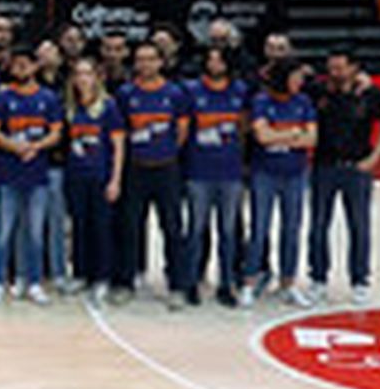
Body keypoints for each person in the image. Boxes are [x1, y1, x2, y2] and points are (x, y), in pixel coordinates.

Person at [308, 49, 380, 305]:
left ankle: (360, 280)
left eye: (340, 68)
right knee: (319, 225)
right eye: (331, 68)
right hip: (324, 166)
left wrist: (375, 157)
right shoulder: (319, 91)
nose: (335, 73)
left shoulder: (370, 93)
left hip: (357, 167)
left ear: (354, 68)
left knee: (359, 225)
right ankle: (318, 279)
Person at [113, 43, 192, 308]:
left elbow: (181, 132)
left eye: (150, 59)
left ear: (161, 62)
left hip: (167, 168)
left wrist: (165, 152)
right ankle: (126, 281)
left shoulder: (175, 93)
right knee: (131, 226)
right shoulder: (126, 94)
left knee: (172, 227)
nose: (145, 64)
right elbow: (120, 133)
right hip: (135, 169)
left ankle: (177, 286)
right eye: (140, 59)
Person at [0, 49, 63, 306]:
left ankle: (34, 282)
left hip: (37, 174)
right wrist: (15, 147)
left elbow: (56, 133)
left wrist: (35, 147)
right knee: (3, 231)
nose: (21, 69)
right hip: (7, 174)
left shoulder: (48, 98)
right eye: (16, 65)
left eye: (25, 64)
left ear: (35, 67)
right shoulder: (2, 97)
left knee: (35, 232)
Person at [182, 46, 248, 307]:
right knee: (196, 230)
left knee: (228, 232)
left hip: (230, 173)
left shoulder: (240, 91)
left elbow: (243, 129)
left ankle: (226, 283)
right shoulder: (191, 90)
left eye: (219, 58)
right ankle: (192, 282)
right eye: (210, 59)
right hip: (199, 172)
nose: (215, 63)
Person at [247, 60, 317, 307]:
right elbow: (262, 137)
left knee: (292, 229)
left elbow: (312, 138)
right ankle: (250, 282)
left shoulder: (304, 102)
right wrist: (294, 134)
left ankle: (288, 283)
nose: (300, 82)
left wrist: (279, 135)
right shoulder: (261, 101)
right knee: (259, 229)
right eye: (295, 77)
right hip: (264, 173)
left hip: (295, 173)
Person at [64, 57, 124, 305]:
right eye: (78, 74)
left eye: (87, 73)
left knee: (102, 227)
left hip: (100, 176)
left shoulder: (109, 107)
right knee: (79, 225)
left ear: (97, 77)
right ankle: (81, 274)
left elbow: (119, 147)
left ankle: (102, 278)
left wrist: (115, 180)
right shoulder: (70, 107)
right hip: (76, 176)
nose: (82, 79)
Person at [34, 38, 71, 291]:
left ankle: (58, 270)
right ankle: (29, 270)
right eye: (41, 52)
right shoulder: (25, 84)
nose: (46, 57)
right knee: (31, 222)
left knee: (57, 221)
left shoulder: (68, 86)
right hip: (27, 162)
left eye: (51, 52)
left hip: (58, 161)